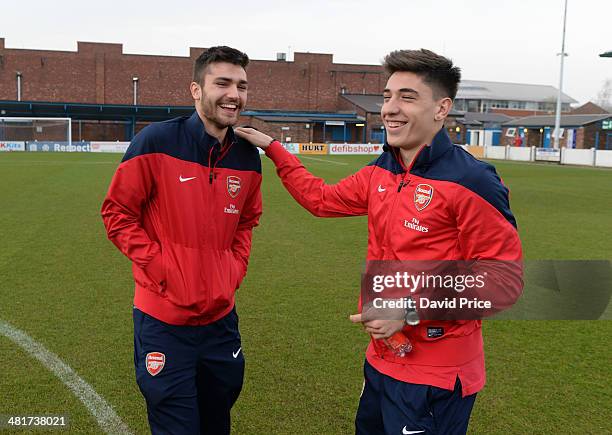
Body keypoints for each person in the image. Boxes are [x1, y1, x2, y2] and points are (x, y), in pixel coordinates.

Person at [236, 49, 522, 435]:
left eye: (407, 97)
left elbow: (503, 281)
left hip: (435, 374)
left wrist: (407, 308)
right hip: (383, 358)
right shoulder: (381, 171)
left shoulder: (472, 181)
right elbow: (321, 200)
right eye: (387, 96)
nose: (390, 108)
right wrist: (275, 148)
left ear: (441, 108)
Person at [101, 46, 262, 434]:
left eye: (241, 86)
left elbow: (246, 222)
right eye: (222, 83)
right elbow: (117, 215)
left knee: (216, 422)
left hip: (221, 321)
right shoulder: (155, 140)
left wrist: (232, 271)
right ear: (196, 89)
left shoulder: (246, 156)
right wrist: (163, 269)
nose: (233, 94)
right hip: (164, 320)